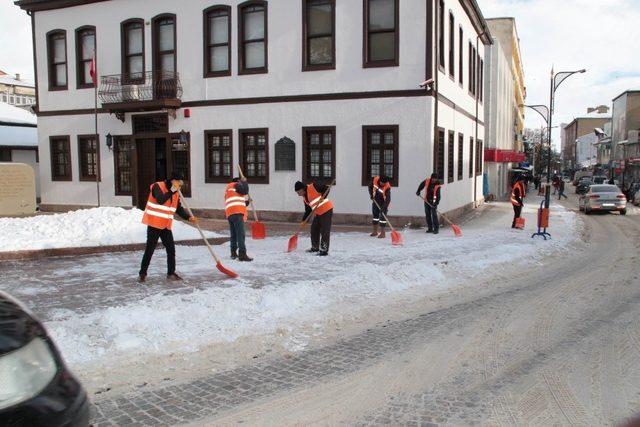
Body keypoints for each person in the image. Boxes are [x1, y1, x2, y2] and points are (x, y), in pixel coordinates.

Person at [138, 171, 197, 283]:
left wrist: (188, 218)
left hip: (165, 225)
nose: (180, 184)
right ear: (173, 180)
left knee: (171, 249)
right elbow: (160, 200)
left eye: (181, 182)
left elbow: (178, 208)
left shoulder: (176, 192)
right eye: (179, 181)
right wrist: (171, 191)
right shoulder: (157, 186)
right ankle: (142, 273)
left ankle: (171, 273)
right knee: (150, 250)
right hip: (154, 224)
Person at [295, 181, 333, 256]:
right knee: (314, 229)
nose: (298, 194)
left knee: (324, 231)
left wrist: (323, 197)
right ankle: (315, 247)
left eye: (299, 192)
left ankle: (324, 250)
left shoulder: (313, 186)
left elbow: (326, 188)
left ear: (302, 189)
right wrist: (303, 221)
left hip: (326, 210)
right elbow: (308, 211)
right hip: (318, 213)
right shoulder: (305, 198)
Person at [225, 176, 253, 262]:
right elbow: (245, 190)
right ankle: (242, 254)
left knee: (234, 234)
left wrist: (247, 202)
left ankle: (233, 253)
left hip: (230, 213)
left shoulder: (229, 189)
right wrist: (244, 182)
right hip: (237, 213)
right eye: (240, 182)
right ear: (238, 181)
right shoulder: (237, 185)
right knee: (240, 234)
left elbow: (237, 201)